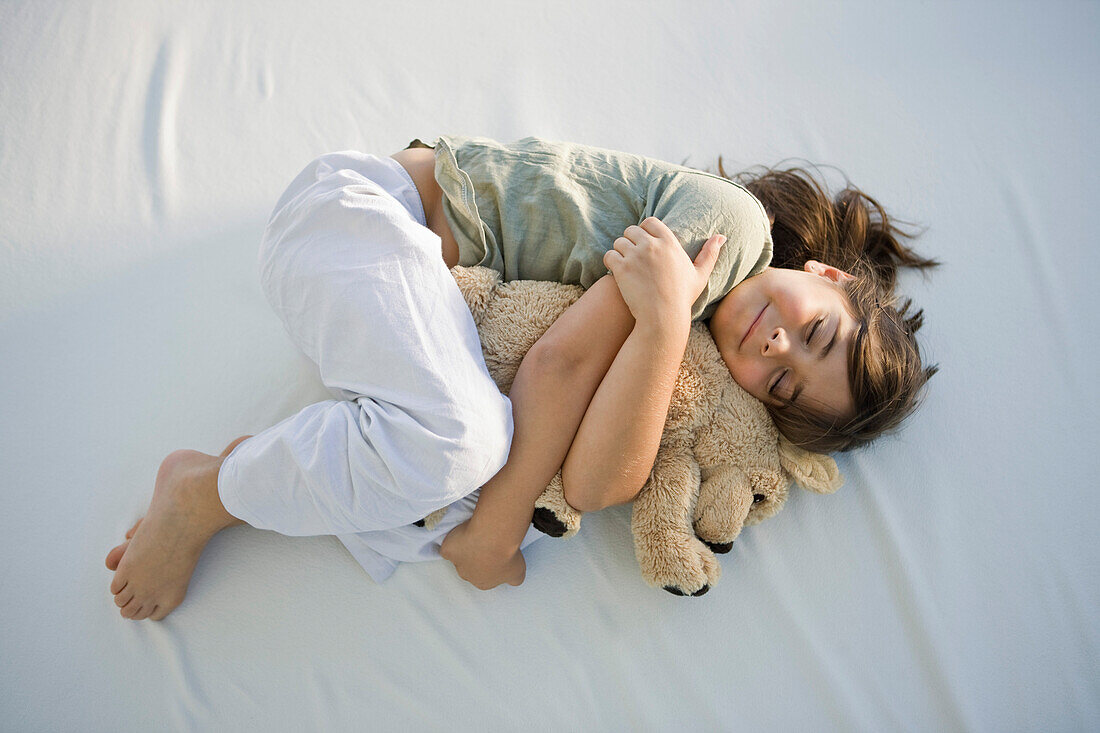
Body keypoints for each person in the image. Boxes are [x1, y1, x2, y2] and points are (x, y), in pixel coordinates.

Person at [104, 135, 937, 621]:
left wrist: (660, 324)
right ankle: (205, 492)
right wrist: (494, 539)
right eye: (816, 330)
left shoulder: (688, 327)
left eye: (783, 384)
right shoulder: (729, 229)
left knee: (429, 511)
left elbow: (597, 479)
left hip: (392, 281)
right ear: (825, 274)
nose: (778, 344)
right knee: (469, 444)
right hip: (359, 214)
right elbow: (557, 363)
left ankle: (271, 466)